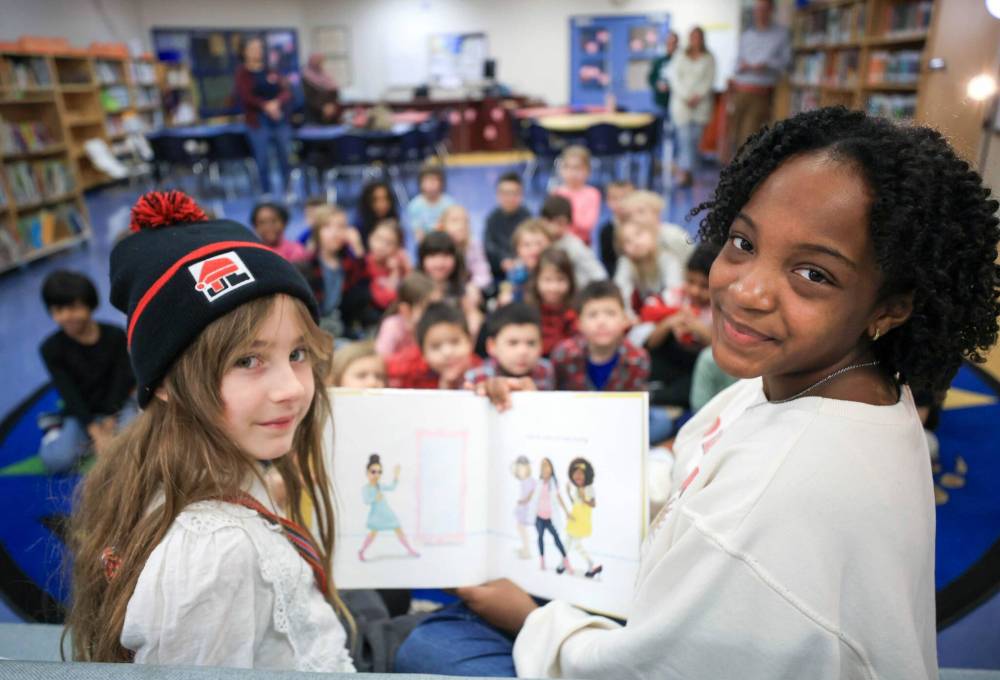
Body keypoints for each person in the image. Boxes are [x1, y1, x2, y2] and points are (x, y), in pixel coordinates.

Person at [395, 106, 1000, 679]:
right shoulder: (830, 383)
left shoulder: (772, 504)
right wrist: (541, 425)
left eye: (813, 274)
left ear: (891, 306)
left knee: (432, 642)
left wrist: (524, 615)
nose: (747, 290)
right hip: (663, 591)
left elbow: (637, 669)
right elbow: (686, 468)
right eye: (743, 242)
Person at [65, 191, 355, 670]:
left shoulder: (160, 457)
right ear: (166, 383)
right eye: (247, 360)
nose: (291, 389)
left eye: (297, 353)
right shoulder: (215, 556)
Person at [37, 270, 135, 474]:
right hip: (82, 411)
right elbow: (68, 392)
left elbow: (123, 380)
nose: (66, 316)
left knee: (135, 447)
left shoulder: (115, 335)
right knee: (56, 461)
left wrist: (108, 422)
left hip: (117, 405)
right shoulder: (50, 348)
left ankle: (88, 439)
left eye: (73, 307)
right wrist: (95, 432)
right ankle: (54, 427)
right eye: (58, 310)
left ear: (89, 304)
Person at [630, 244, 717, 408]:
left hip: (694, 366)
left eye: (704, 286)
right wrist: (669, 323)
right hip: (671, 360)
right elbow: (650, 344)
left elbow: (718, 352)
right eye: (690, 281)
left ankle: (656, 396)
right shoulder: (675, 296)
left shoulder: (720, 309)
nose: (695, 291)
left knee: (692, 384)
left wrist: (698, 329)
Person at [550, 281, 650, 392]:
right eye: (592, 315)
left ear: (625, 319)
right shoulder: (563, 354)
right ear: (579, 323)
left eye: (610, 313)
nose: (602, 322)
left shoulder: (637, 359)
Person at [728, 0, 791, 157]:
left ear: (771, 11)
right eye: (757, 9)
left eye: (764, 9)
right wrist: (741, 66)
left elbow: (787, 63)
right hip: (740, 91)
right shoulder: (747, 36)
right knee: (733, 137)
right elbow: (736, 63)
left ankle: (746, 178)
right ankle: (734, 176)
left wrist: (766, 65)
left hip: (760, 94)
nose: (760, 13)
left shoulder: (781, 35)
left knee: (749, 138)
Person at [235, 36, 293, 197]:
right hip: (257, 122)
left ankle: (288, 191)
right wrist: (265, 106)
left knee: (285, 156)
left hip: (278, 119)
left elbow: (286, 91)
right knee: (262, 159)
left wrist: (276, 103)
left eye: (259, 48)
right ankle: (266, 192)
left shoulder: (271, 70)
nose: (257, 51)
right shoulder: (242, 73)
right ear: (244, 52)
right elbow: (246, 96)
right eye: (253, 48)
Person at [385, 301, 481, 390]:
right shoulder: (412, 375)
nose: (447, 352)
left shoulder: (484, 374)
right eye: (436, 346)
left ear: (470, 341)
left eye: (455, 342)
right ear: (423, 354)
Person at [464, 303, 555, 391]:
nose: (523, 351)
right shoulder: (477, 376)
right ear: (492, 346)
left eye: (531, 343)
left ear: (541, 345)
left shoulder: (546, 370)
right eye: (513, 343)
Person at [667, 27, 716, 187]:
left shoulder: (709, 58)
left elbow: (709, 80)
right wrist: (686, 96)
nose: (695, 40)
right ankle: (684, 173)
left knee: (694, 141)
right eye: (692, 37)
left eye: (698, 37)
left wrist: (698, 96)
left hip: (700, 105)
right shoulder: (680, 56)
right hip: (682, 105)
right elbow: (675, 79)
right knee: (684, 140)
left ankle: (690, 172)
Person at [613, 217, 685, 317]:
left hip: (671, 312)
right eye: (627, 241)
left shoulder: (668, 258)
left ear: (652, 234)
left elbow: (675, 291)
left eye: (639, 234)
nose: (635, 242)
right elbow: (621, 293)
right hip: (645, 316)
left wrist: (653, 305)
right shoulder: (626, 263)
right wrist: (629, 316)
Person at [418, 231, 483, 339]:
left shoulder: (463, 289)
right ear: (422, 259)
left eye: (446, 255)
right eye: (432, 256)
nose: (439, 263)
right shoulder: (414, 287)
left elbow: (474, 319)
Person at [359, 454, 420, 560]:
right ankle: (362, 551)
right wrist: (374, 498)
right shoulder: (366, 488)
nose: (376, 475)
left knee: (398, 529)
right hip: (376, 515)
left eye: (379, 472)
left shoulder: (380, 485)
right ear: (367, 472)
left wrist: (396, 475)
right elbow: (366, 500)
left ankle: (409, 549)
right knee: (373, 533)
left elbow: (392, 487)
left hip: (387, 513)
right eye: (373, 472)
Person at [540, 194, 606, 289]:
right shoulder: (539, 241)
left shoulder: (574, 245)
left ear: (569, 223)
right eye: (550, 221)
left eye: (560, 223)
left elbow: (598, 273)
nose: (553, 228)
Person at [526, 248, 577, 357]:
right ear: (536, 280)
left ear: (570, 281)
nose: (553, 287)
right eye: (547, 280)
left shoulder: (574, 312)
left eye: (560, 280)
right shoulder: (528, 311)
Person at [374, 272, 438, 357]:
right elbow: (381, 358)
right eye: (428, 309)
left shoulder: (433, 324)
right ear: (406, 310)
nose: (436, 312)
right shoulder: (392, 326)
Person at [484, 172, 532, 284]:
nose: (510, 198)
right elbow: (489, 245)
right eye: (505, 193)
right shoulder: (492, 218)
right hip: (498, 270)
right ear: (498, 195)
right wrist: (503, 260)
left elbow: (530, 243)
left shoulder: (527, 217)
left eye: (514, 193)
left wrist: (518, 260)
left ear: (521, 195)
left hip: (523, 267)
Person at [553, 146, 601, 245]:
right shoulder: (556, 193)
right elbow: (551, 224)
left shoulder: (592, 193)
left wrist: (565, 218)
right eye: (567, 167)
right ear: (561, 170)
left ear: (588, 171)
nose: (572, 173)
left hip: (582, 243)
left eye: (577, 168)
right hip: (559, 242)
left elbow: (587, 224)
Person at [499, 219, 553, 306]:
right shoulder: (516, 271)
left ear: (551, 245)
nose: (534, 250)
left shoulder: (554, 269)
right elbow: (508, 288)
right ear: (517, 250)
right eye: (526, 245)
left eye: (539, 244)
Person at [438, 204, 492, 290]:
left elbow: (483, 274)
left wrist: (473, 286)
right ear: (442, 225)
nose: (461, 226)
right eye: (454, 221)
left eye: (465, 221)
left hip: (466, 289)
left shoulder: (474, 245)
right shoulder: (435, 245)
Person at [365, 218, 411, 312]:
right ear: (370, 237)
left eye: (389, 243)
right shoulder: (365, 264)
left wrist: (404, 266)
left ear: (398, 248)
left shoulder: (401, 266)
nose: (381, 246)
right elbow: (384, 302)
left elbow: (413, 292)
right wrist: (394, 274)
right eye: (378, 238)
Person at [405, 164, 455, 244]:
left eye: (434, 180)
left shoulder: (449, 203)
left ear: (441, 182)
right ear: (420, 183)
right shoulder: (414, 206)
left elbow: (452, 228)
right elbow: (418, 234)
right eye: (427, 180)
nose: (431, 184)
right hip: (426, 245)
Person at [597, 179, 634, 276]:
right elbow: (607, 264)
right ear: (608, 201)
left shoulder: (642, 226)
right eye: (615, 198)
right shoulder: (606, 231)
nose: (621, 202)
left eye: (625, 197)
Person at [647, 31, 679, 122]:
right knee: (659, 130)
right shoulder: (659, 61)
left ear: (677, 44)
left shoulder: (681, 61)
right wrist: (657, 85)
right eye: (668, 43)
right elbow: (650, 79)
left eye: (673, 43)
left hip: (677, 102)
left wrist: (672, 87)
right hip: (660, 102)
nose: (671, 46)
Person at [301, 53, 339, 125]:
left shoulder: (325, 75)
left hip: (330, 111)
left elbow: (334, 91)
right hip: (313, 113)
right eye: (316, 60)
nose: (318, 63)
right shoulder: (305, 77)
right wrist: (323, 107)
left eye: (320, 61)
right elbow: (309, 96)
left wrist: (331, 105)